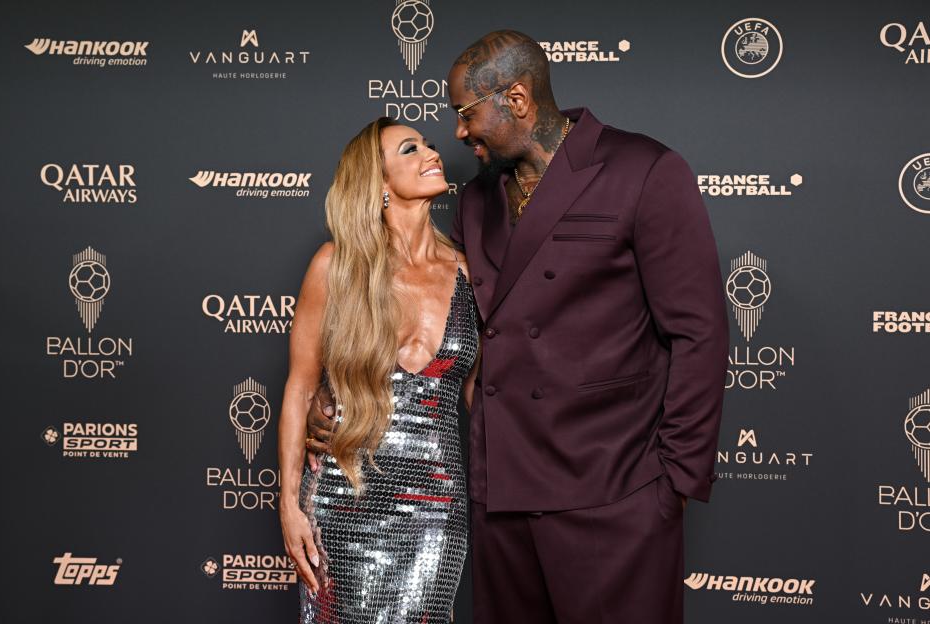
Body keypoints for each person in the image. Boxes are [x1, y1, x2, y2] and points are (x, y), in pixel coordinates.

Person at [308, 31, 728, 624]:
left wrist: (673, 482)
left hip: (612, 492)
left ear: (518, 99)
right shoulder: (479, 200)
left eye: (465, 113)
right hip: (499, 498)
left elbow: (700, 333)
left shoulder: (643, 170)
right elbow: (462, 330)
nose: (457, 134)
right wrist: (332, 401)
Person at [278, 117, 480, 624]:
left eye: (429, 146)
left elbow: (484, 397)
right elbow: (301, 387)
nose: (432, 153)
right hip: (343, 498)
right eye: (410, 149)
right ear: (379, 182)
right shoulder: (335, 267)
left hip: (436, 507)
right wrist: (289, 505)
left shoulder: (469, 272)